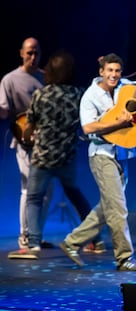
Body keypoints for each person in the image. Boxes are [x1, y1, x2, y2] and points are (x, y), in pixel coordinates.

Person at [59, 45, 136, 271]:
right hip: (101, 154)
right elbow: (88, 128)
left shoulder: (126, 87)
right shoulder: (90, 96)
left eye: (117, 70)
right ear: (101, 71)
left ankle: (72, 242)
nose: (114, 75)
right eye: (110, 71)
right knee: (118, 208)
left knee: (109, 207)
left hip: (123, 154)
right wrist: (118, 123)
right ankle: (125, 258)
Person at [7, 50, 105, 259]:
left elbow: (29, 127)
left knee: (34, 198)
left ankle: (32, 246)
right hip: (67, 156)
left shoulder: (41, 94)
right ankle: (96, 240)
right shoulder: (78, 94)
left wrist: (27, 135)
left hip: (43, 157)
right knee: (75, 196)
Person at [0, 37, 54, 249]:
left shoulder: (45, 78)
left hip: (47, 142)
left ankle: (36, 234)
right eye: (29, 53)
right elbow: (4, 110)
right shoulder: (10, 80)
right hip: (24, 142)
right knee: (29, 188)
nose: (33, 57)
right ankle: (25, 235)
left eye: (37, 53)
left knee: (47, 189)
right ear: (21, 53)